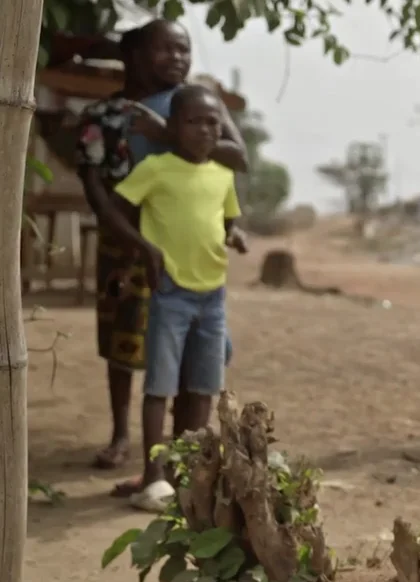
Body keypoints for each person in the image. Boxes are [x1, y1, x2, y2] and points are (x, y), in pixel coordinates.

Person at [76, 19, 246, 480]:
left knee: (196, 346)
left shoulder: (197, 104)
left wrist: (170, 134)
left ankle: (181, 444)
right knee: (123, 341)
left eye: (184, 50)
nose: (177, 59)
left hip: (187, 249)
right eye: (164, 50)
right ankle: (121, 436)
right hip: (127, 245)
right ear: (134, 56)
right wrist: (126, 237)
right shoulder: (103, 116)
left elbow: (238, 157)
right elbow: (95, 186)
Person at [99, 84, 248, 512]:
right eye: (194, 121)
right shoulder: (156, 169)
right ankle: (154, 476)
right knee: (160, 386)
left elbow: (228, 220)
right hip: (171, 295)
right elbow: (114, 209)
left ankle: (186, 473)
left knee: (203, 387)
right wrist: (144, 248)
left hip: (213, 297)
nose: (205, 130)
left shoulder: (222, 174)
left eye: (213, 122)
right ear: (173, 126)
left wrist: (235, 235)